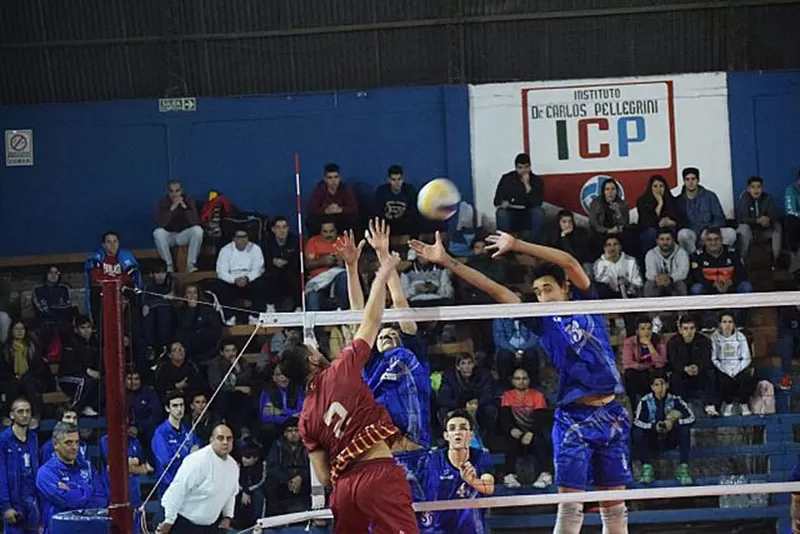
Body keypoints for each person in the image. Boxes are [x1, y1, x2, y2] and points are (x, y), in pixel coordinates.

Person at [409, 230, 631, 534]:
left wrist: (518, 245)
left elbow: (568, 261)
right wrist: (448, 261)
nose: (542, 297)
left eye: (548, 289)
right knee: (570, 508)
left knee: (615, 509)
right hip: (574, 418)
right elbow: (496, 290)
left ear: (566, 288)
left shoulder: (585, 301)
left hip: (610, 414)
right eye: (537, 292)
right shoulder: (540, 320)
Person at [279, 250, 420, 533]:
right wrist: (382, 275)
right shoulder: (340, 369)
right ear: (311, 360)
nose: (318, 350)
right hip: (377, 474)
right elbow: (370, 322)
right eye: (313, 349)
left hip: (343, 489)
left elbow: (322, 475)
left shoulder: (305, 418)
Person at [418, 410, 495, 534]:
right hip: (435, 529)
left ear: (470, 435)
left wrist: (472, 481)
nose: (458, 432)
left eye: (463, 428)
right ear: (446, 436)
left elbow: (489, 487)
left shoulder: (481, 456)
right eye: (452, 428)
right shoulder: (431, 460)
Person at [157, 424, 239, 534]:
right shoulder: (197, 461)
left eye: (229, 439)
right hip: (180, 521)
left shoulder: (233, 466)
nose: (225, 442)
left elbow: (231, 494)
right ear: (211, 440)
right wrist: (169, 520)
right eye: (220, 438)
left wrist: (228, 516)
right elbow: (178, 490)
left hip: (210, 525)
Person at [632, 370, 694, 486]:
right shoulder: (645, 401)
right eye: (656, 385)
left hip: (670, 438)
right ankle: (646, 467)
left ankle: (683, 468)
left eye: (662, 384)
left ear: (667, 385)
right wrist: (653, 426)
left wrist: (673, 422)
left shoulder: (675, 400)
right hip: (653, 438)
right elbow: (638, 422)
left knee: (685, 430)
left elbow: (691, 418)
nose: (660, 388)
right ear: (652, 387)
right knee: (638, 433)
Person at [35, 423, 96, 534]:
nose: (74, 447)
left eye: (77, 442)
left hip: (88, 529)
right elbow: (66, 501)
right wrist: (88, 489)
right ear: (55, 444)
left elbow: (101, 498)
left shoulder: (87, 466)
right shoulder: (45, 473)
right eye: (68, 443)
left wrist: (73, 489)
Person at [0, 398, 40, 534]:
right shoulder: (3, 440)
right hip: (14, 501)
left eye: (28, 411)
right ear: (12, 415)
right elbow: (1, 475)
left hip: (33, 500)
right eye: (20, 411)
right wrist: (5, 506)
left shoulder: (33, 437)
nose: (24, 415)